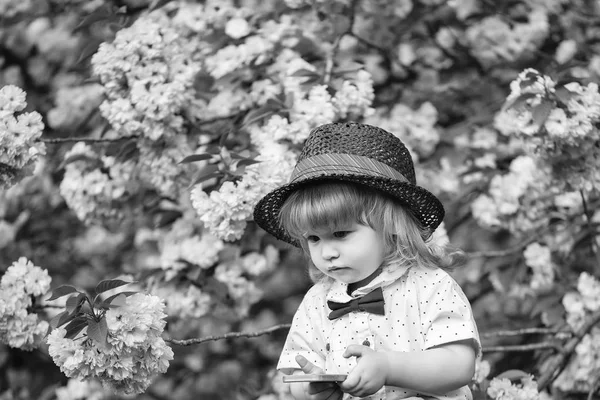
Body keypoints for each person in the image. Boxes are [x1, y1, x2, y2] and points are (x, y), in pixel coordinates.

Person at [253, 122, 480, 400]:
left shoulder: (430, 285)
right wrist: (311, 387)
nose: (327, 252)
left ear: (392, 225)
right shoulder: (317, 301)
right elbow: (297, 370)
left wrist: (389, 366)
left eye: (340, 233)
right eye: (314, 239)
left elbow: (459, 365)